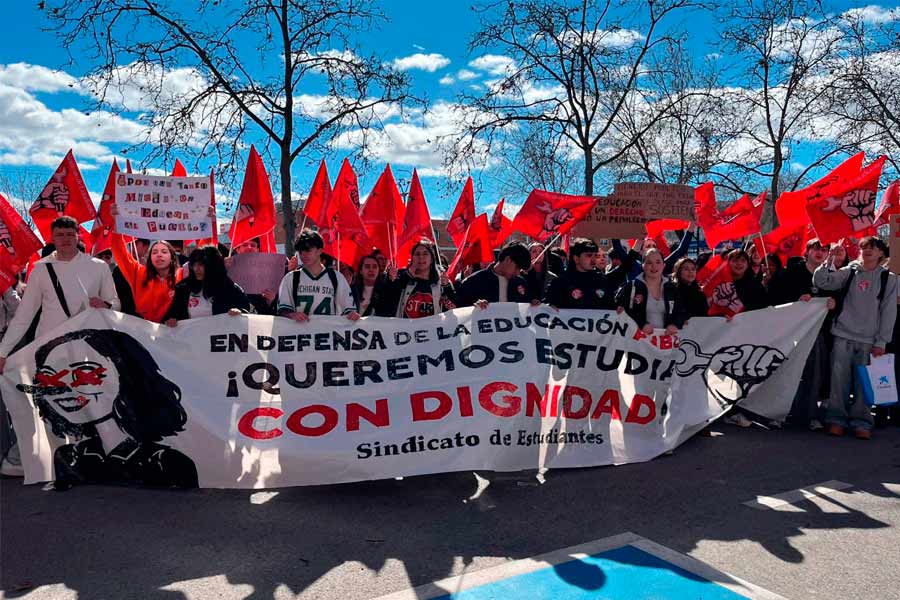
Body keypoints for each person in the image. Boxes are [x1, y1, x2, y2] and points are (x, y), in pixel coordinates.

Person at [16, 328, 197, 489]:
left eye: (85, 372)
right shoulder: (70, 456)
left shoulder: (165, 461)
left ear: (125, 373)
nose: (64, 388)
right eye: (50, 377)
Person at [0, 216, 119, 371]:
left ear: (78, 236)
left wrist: (106, 305)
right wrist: (3, 352)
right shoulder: (40, 269)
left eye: (70, 234)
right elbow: (24, 315)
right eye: (60, 235)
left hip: (87, 347)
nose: (65, 239)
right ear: (52, 239)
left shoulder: (99, 267)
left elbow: (115, 303)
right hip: (48, 347)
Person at [813, 236, 897, 439]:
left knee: (863, 383)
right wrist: (829, 260)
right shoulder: (850, 271)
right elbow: (823, 281)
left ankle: (862, 422)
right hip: (843, 334)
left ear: (881, 253)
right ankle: (836, 420)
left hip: (869, 339)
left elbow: (888, 312)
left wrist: (881, 342)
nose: (867, 251)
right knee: (838, 381)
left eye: (873, 248)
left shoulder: (889, 278)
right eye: (864, 247)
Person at [767, 239, 836, 430]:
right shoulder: (790, 274)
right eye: (816, 248)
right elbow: (772, 297)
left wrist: (833, 304)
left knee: (814, 376)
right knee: (785, 373)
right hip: (790, 333)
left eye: (824, 249)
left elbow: (841, 300)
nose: (820, 253)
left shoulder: (832, 277)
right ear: (807, 251)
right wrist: (796, 301)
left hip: (817, 334)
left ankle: (809, 415)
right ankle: (778, 412)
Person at [277, 229, 359, 322]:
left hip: (329, 334)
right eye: (300, 251)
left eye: (308, 250)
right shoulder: (290, 278)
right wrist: (291, 315)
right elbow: (282, 312)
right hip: (299, 334)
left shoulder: (336, 278)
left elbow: (349, 309)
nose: (303, 255)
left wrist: (352, 315)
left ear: (320, 251)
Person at [164, 246, 252, 324]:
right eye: (193, 265)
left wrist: (239, 312)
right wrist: (171, 319)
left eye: (201, 265)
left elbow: (248, 313)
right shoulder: (182, 289)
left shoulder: (231, 289)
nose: (196, 269)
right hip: (189, 341)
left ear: (214, 266)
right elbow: (171, 314)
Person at [110, 230, 182, 323]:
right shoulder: (139, 273)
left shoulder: (182, 274)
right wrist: (117, 226)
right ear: (150, 258)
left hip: (172, 331)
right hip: (142, 330)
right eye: (154, 252)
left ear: (172, 257)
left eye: (164, 252)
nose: (159, 255)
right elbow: (119, 251)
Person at [615, 248, 684, 335]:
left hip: (665, 343)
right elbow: (621, 312)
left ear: (664, 265)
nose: (654, 266)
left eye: (658, 262)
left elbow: (682, 312)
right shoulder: (631, 287)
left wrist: (675, 324)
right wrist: (641, 324)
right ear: (643, 266)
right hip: (637, 343)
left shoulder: (672, 288)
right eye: (649, 263)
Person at [381, 240, 457, 318]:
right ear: (412, 258)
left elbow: (454, 308)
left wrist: (447, 287)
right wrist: (394, 279)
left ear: (431, 259)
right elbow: (387, 300)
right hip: (405, 328)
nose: (421, 257)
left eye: (425, 254)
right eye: (417, 254)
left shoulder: (441, 281)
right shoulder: (402, 276)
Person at [457, 243, 531, 307]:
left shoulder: (521, 282)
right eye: (517, 268)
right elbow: (461, 312)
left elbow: (527, 310)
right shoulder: (473, 282)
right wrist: (474, 307)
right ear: (507, 259)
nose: (518, 273)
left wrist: (534, 304)